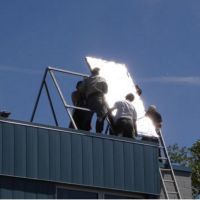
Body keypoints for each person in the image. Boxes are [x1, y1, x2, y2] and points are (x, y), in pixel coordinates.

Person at [80, 68, 108, 133]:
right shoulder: (102, 79)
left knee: (88, 115)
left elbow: (81, 89)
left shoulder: (87, 79)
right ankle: (98, 131)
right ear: (98, 72)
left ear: (92, 72)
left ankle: (85, 130)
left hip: (89, 99)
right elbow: (106, 91)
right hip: (98, 98)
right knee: (101, 115)